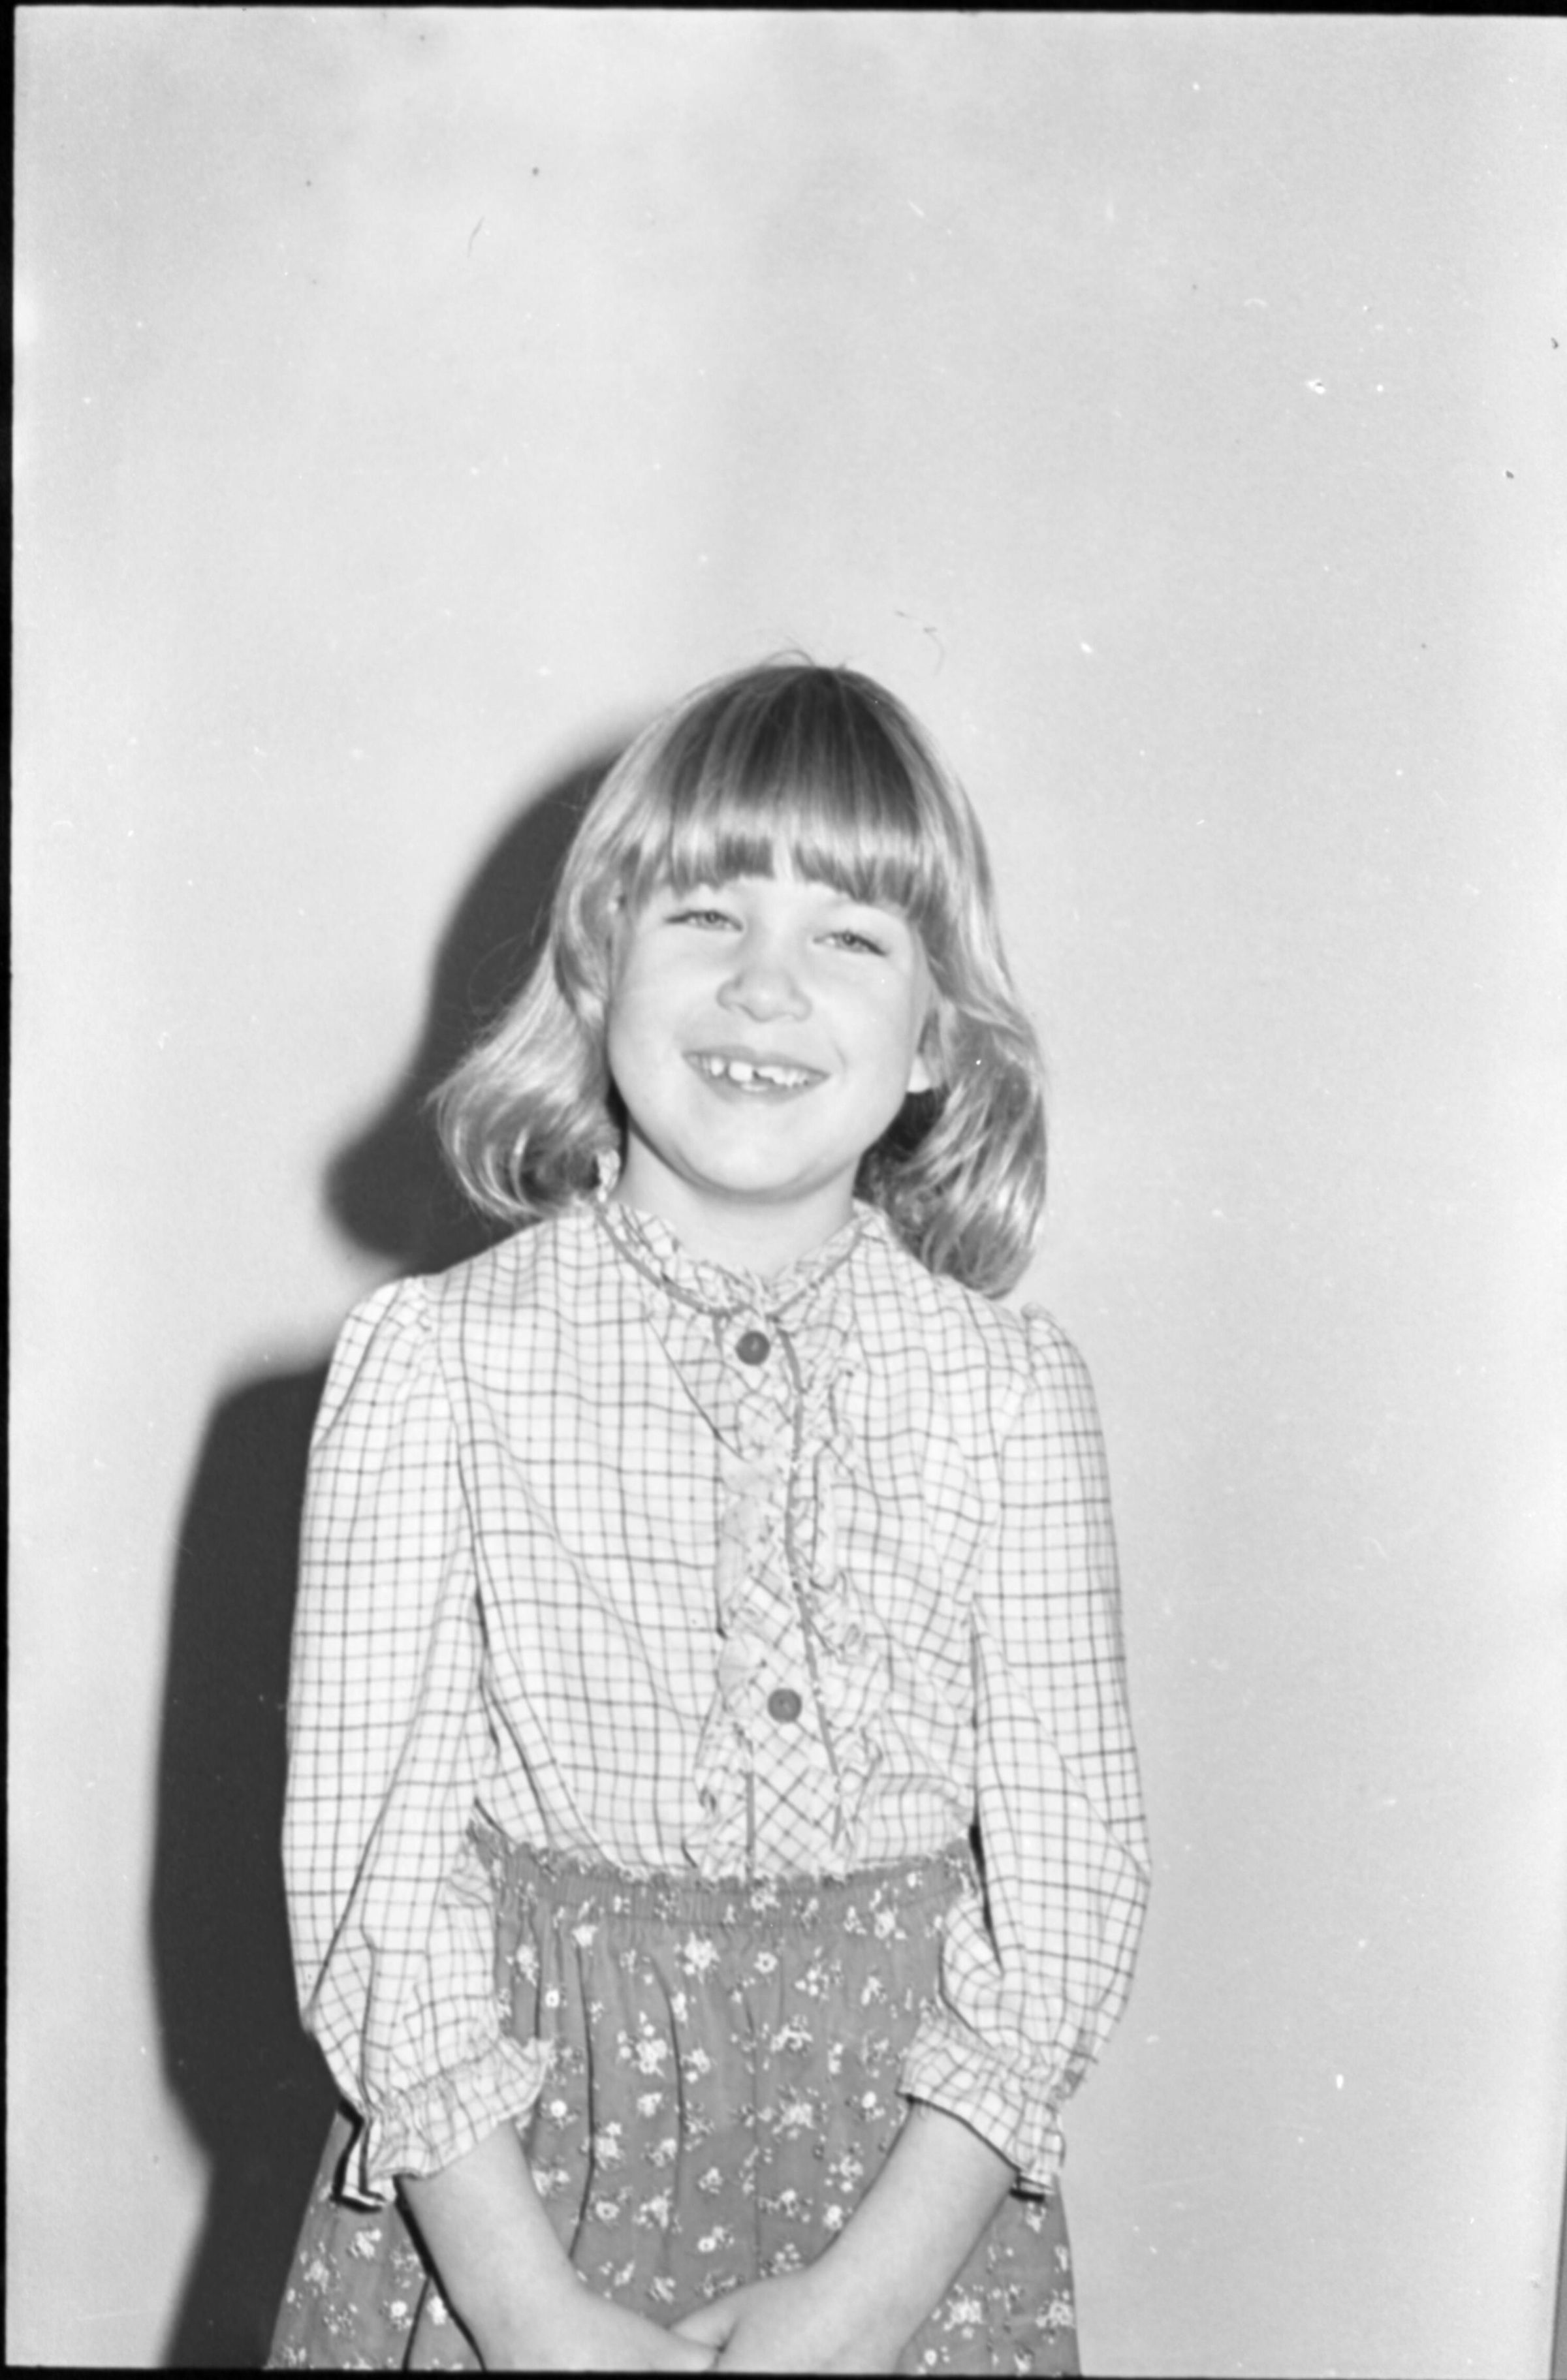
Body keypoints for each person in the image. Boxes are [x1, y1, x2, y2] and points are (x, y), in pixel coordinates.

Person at [267, 659, 1150, 2374]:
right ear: (597, 964)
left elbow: (1067, 1898)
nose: (766, 984)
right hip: (512, 2209)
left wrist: (865, 2307)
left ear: (936, 1038)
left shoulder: (1014, 1396)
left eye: (850, 936)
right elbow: (382, 1889)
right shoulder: (435, 1367)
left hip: (905, 2221)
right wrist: (528, 2318)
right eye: (705, 915)